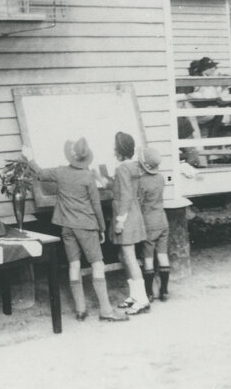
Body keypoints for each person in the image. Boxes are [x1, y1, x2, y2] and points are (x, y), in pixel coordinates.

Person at [22, 140, 128, 322]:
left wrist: (30, 158)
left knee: (74, 265)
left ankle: (80, 310)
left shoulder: (61, 172)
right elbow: (96, 206)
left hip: (66, 226)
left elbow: (39, 173)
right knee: (97, 264)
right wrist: (101, 228)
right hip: (86, 226)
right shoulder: (88, 177)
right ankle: (106, 310)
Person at [108, 132, 150, 315]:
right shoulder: (133, 167)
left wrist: (120, 221)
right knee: (124, 256)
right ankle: (134, 296)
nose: (113, 149)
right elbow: (131, 191)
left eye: (115, 147)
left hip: (125, 216)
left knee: (129, 257)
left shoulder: (122, 169)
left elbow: (124, 195)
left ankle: (142, 300)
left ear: (119, 150)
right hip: (133, 214)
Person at [137, 146, 172, 302]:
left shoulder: (141, 181)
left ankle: (149, 293)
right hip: (162, 220)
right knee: (162, 255)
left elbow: (140, 203)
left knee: (148, 258)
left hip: (149, 222)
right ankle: (164, 291)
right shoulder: (161, 178)